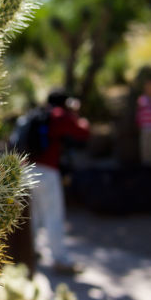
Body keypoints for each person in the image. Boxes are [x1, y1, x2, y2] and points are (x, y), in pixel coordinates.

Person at [30, 90, 90, 274]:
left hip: (28, 169)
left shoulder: (38, 114)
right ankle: (60, 260)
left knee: (34, 216)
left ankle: (30, 251)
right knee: (53, 217)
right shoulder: (59, 115)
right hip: (48, 171)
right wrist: (76, 113)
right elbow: (83, 131)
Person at [136, 78, 151, 169]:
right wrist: (139, 123)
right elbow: (139, 112)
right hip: (145, 126)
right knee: (145, 145)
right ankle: (146, 162)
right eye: (148, 88)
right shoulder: (142, 100)